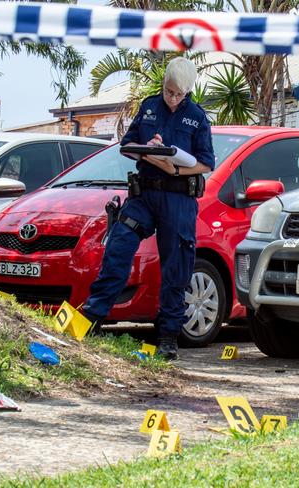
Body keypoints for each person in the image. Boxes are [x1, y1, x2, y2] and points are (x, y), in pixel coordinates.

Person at [81, 57, 215, 360]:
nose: (173, 99)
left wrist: (174, 168)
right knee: (118, 246)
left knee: (175, 268)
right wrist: (151, 152)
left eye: (180, 94)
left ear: (188, 91)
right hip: (143, 196)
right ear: (164, 85)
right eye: (169, 92)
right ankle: (92, 318)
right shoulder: (150, 106)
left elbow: (206, 163)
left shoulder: (197, 117)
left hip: (178, 199)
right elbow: (127, 145)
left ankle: (168, 337)